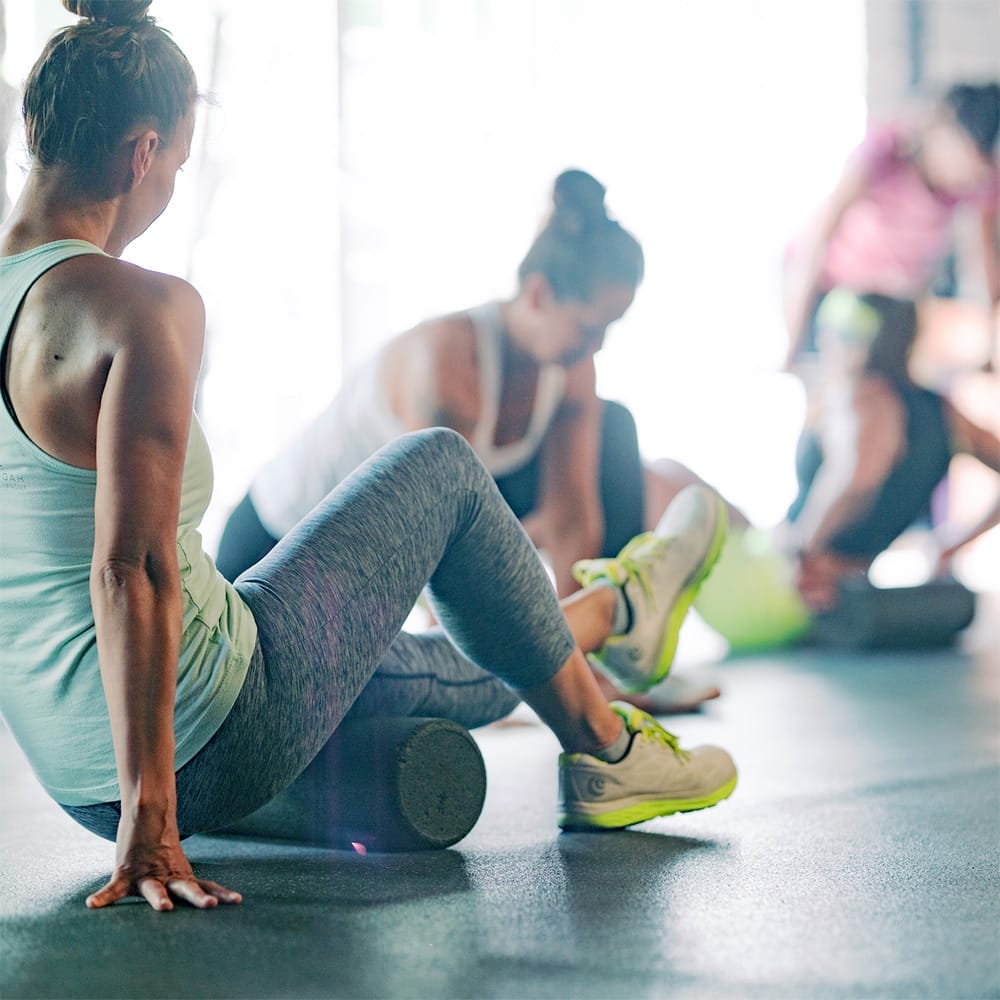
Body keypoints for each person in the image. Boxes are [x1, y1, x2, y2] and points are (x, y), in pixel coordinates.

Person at [0, 0, 737, 913]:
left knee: (401, 666)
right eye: (178, 166)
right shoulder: (138, 306)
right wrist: (153, 821)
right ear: (140, 153)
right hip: (197, 739)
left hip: (74, 783)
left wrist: (119, 803)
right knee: (439, 468)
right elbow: (133, 566)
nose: (169, 190)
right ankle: (608, 740)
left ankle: (615, 610)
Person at [216, 168, 749, 599]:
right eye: (590, 328)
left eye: (610, 330)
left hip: (372, 547)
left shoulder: (571, 369)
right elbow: (442, 551)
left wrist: (585, 667)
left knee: (617, 429)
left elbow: (572, 518)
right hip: (275, 548)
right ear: (538, 296)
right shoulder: (449, 363)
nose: (598, 347)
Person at [694, 287, 1000, 649]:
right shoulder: (942, 412)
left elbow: (858, 476)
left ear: (855, 340)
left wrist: (802, 551)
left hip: (784, 590)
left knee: (673, 482)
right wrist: (949, 547)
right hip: (839, 586)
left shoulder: (860, 397)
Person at [782, 81, 1000, 375]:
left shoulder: (977, 184)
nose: (969, 179)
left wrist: (990, 338)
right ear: (942, 130)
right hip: (826, 285)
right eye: (967, 163)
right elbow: (818, 241)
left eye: (979, 172)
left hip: (890, 297)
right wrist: (792, 345)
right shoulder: (884, 152)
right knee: (828, 389)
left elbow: (980, 256)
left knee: (888, 392)